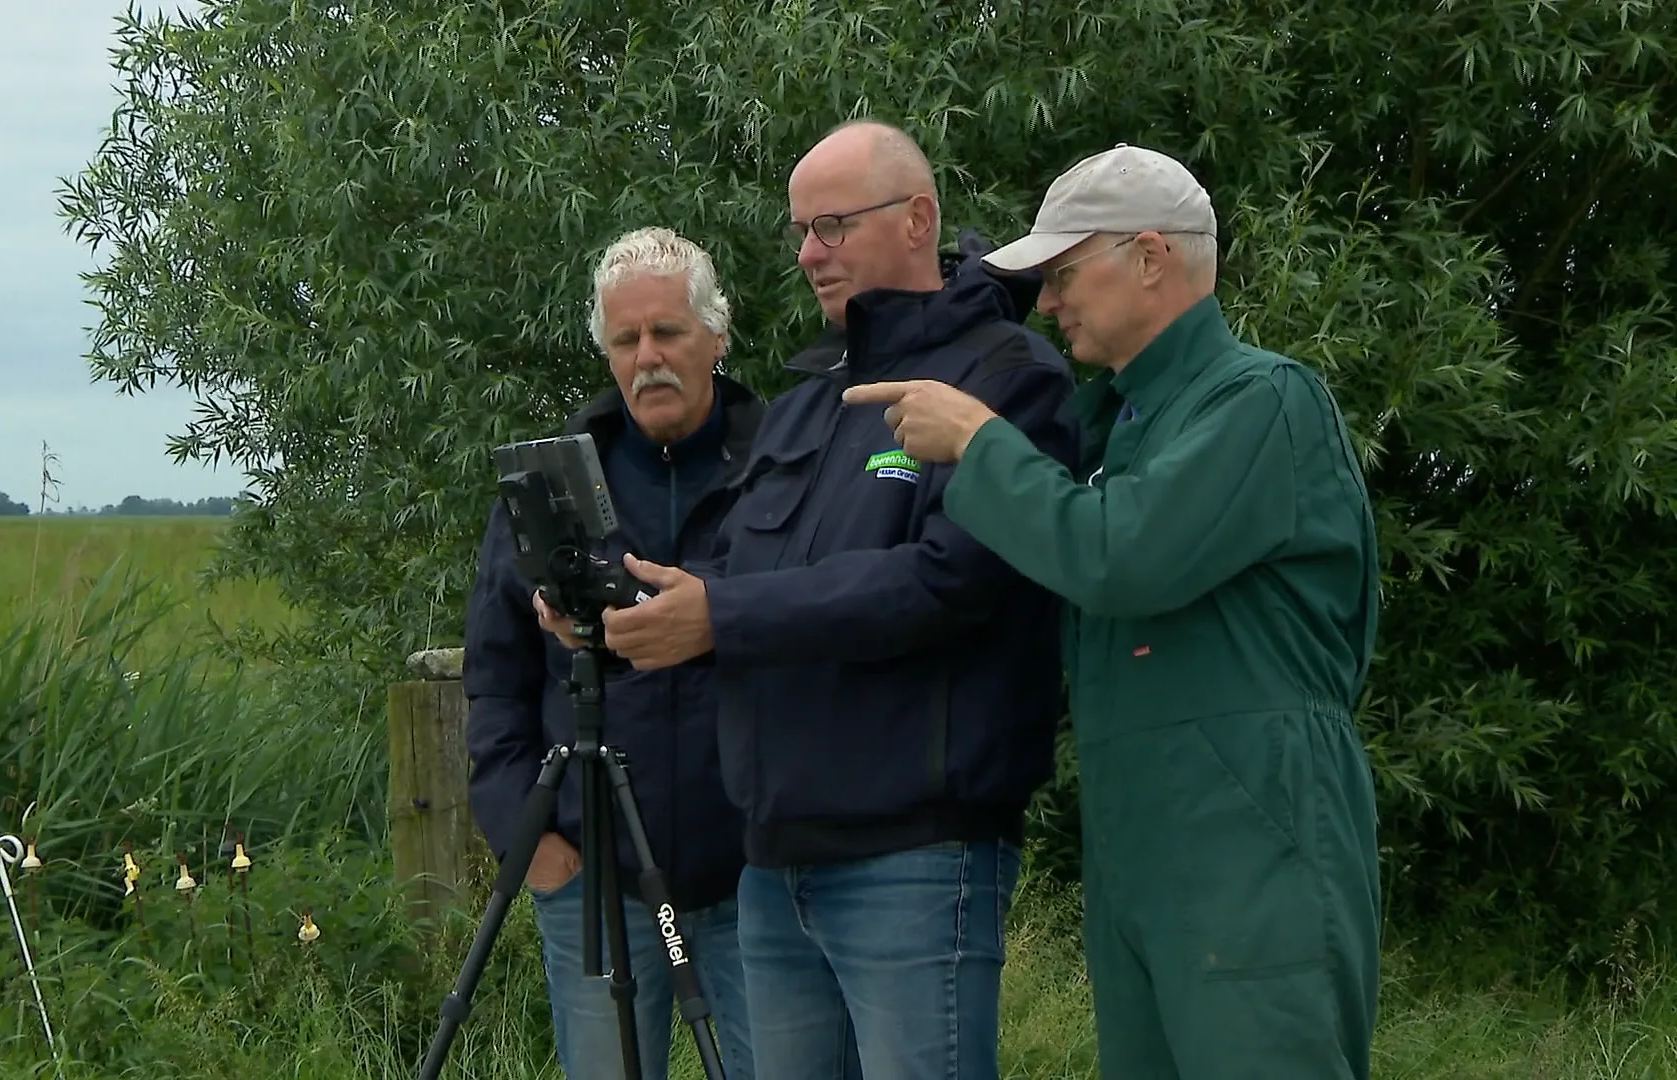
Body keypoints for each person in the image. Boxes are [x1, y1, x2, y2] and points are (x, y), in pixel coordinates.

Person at [545, 120, 1081, 1079]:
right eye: (801, 231)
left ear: (918, 219)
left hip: (915, 854)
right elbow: (742, 584)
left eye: (830, 226)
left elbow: (946, 581)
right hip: (773, 864)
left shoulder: (1007, 378)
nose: (806, 254)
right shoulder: (805, 402)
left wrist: (721, 616)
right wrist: (627, 616)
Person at [844, 143, 1384, 1079]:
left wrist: (979, 440)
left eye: (1063, 273)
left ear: (1150, 257)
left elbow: (1118, 554)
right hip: (1142, 842)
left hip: (1252, 836)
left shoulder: (1261, 399)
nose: (1049, 303)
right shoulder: (1115, 423)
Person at [462, 226, 761, 1079]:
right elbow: (495, 677)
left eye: (667, 333)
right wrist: (529, 840)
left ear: (716, 336)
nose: (648, 358)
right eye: (626, 340)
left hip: (752, 872)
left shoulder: (781, 464)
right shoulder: (547, 485)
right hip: (593, 878)